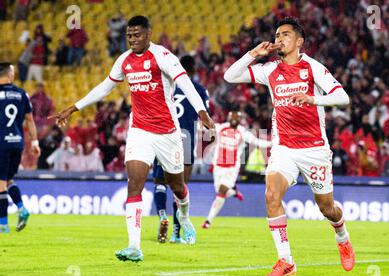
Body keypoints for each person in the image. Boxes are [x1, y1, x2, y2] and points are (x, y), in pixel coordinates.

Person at [49, 16, 215, 262]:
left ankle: (185, 216)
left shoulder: (163, 56)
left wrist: (202, 113)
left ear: (149, 33)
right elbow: (105, 88)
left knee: (177, 186)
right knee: (134, 184)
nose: (133, 39)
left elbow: (186, 84)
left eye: (137, 35)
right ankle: (134, 246)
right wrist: (74, 108)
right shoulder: (124, 60)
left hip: (168, 133)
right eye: (129, 36)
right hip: (139, 131)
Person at [224, 17, 354, 276]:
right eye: (277, 35)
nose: (279, 39)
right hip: (284, 148)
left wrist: (313, 98)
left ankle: (342, 236)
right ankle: (286, 260)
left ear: (299, 41)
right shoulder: (269, 69)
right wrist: (253, 54)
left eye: (285, 35)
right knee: (271, 195)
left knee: (327, 208)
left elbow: (343, 97)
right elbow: (230, 76)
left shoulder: (313, 68)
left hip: (314, 149)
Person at [151, 54, 210, 244]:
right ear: (193, 71)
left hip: (162, 135)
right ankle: (177, 233)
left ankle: (162, 216)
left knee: (160, 182)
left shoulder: (163, 85)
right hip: (185, 139)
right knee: (180, 188)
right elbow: (204, 116)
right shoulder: (199, 90)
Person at [202, 111, 272, 229]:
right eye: (232, 117)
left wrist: (272, 143)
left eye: (236, 118)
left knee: (222, 191)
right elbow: (207, 128)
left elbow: (257, 142)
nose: (234, 119)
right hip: (218, 166)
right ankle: (234, 192)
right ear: (228, 118)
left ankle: (208, 220)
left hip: (232, 168)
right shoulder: (221, 128)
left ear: (240, 120)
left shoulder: (243, 132)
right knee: (221, 192)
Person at [0, 62, 40, 233]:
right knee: (8, 180)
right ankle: (22, 208)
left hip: (1, 142)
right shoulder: (21, 93)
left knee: (0, 184)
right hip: (17, 142)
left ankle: (3, 225)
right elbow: (30, 120)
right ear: (9, 75)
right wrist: (35, 142)